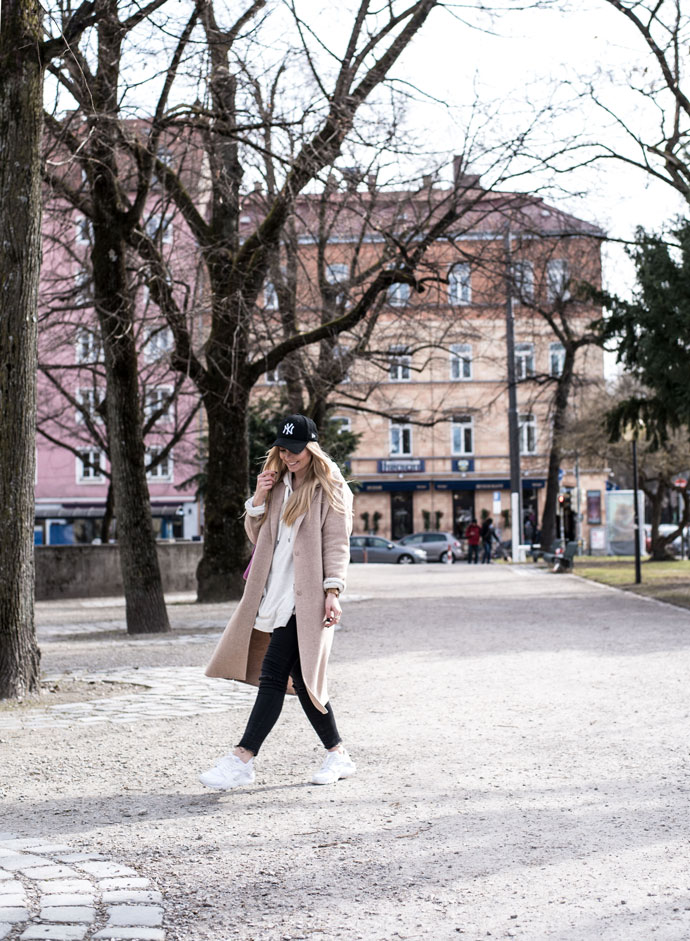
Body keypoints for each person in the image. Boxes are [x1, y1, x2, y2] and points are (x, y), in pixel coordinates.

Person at [200, 413, 355, 791]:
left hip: (306, 597)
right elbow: (258, 537)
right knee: (302, 681)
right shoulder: (279, 485)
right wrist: (259, 497)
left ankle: (242, 759)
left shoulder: (330, 488)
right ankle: (338, 754)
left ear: (312, 448)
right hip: (275, 592)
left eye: (296, 451)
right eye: (283, 450)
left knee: (272, 674)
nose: (288, 457)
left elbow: (337, 543)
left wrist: (333, 592)